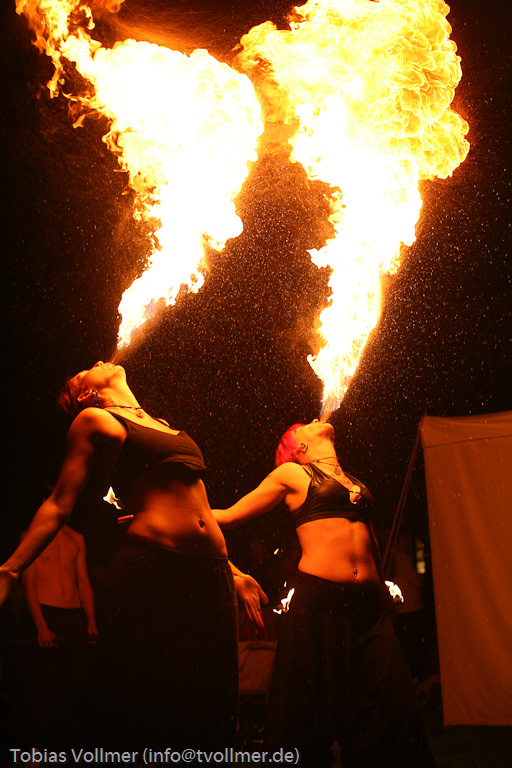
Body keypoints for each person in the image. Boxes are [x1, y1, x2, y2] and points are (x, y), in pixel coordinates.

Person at [0, 360, 266, 751]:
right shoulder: (97, 420)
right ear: (87, 394)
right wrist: (10, 570)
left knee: (214, 698)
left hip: (211, 573)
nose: (97, 362)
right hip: (153, 569)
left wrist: (235, 573)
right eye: (84, 371)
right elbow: (59, 504)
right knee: (132, 696)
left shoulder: (162, 424)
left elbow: (198, 509)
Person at [213, 419, 436, 768]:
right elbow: (227, 517)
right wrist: (181, 513)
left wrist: (381, 592)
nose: (316, 421)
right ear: (299, 448)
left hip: (368, 609)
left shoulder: (351, 480)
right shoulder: (293, 475)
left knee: (394, 709)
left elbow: (369, 541)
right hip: (318, 606)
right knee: (303, 717)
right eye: (304, 425)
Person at [22, 524, 97, 745]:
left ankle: (68, 744)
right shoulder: (33, 535)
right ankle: (39, 747)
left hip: (73, 614)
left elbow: (83, 581)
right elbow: (29, 583)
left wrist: (91, 620)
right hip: (48, 612)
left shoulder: (76, 538)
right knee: (46, 684)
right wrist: (41, 626)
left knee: (74, 683)